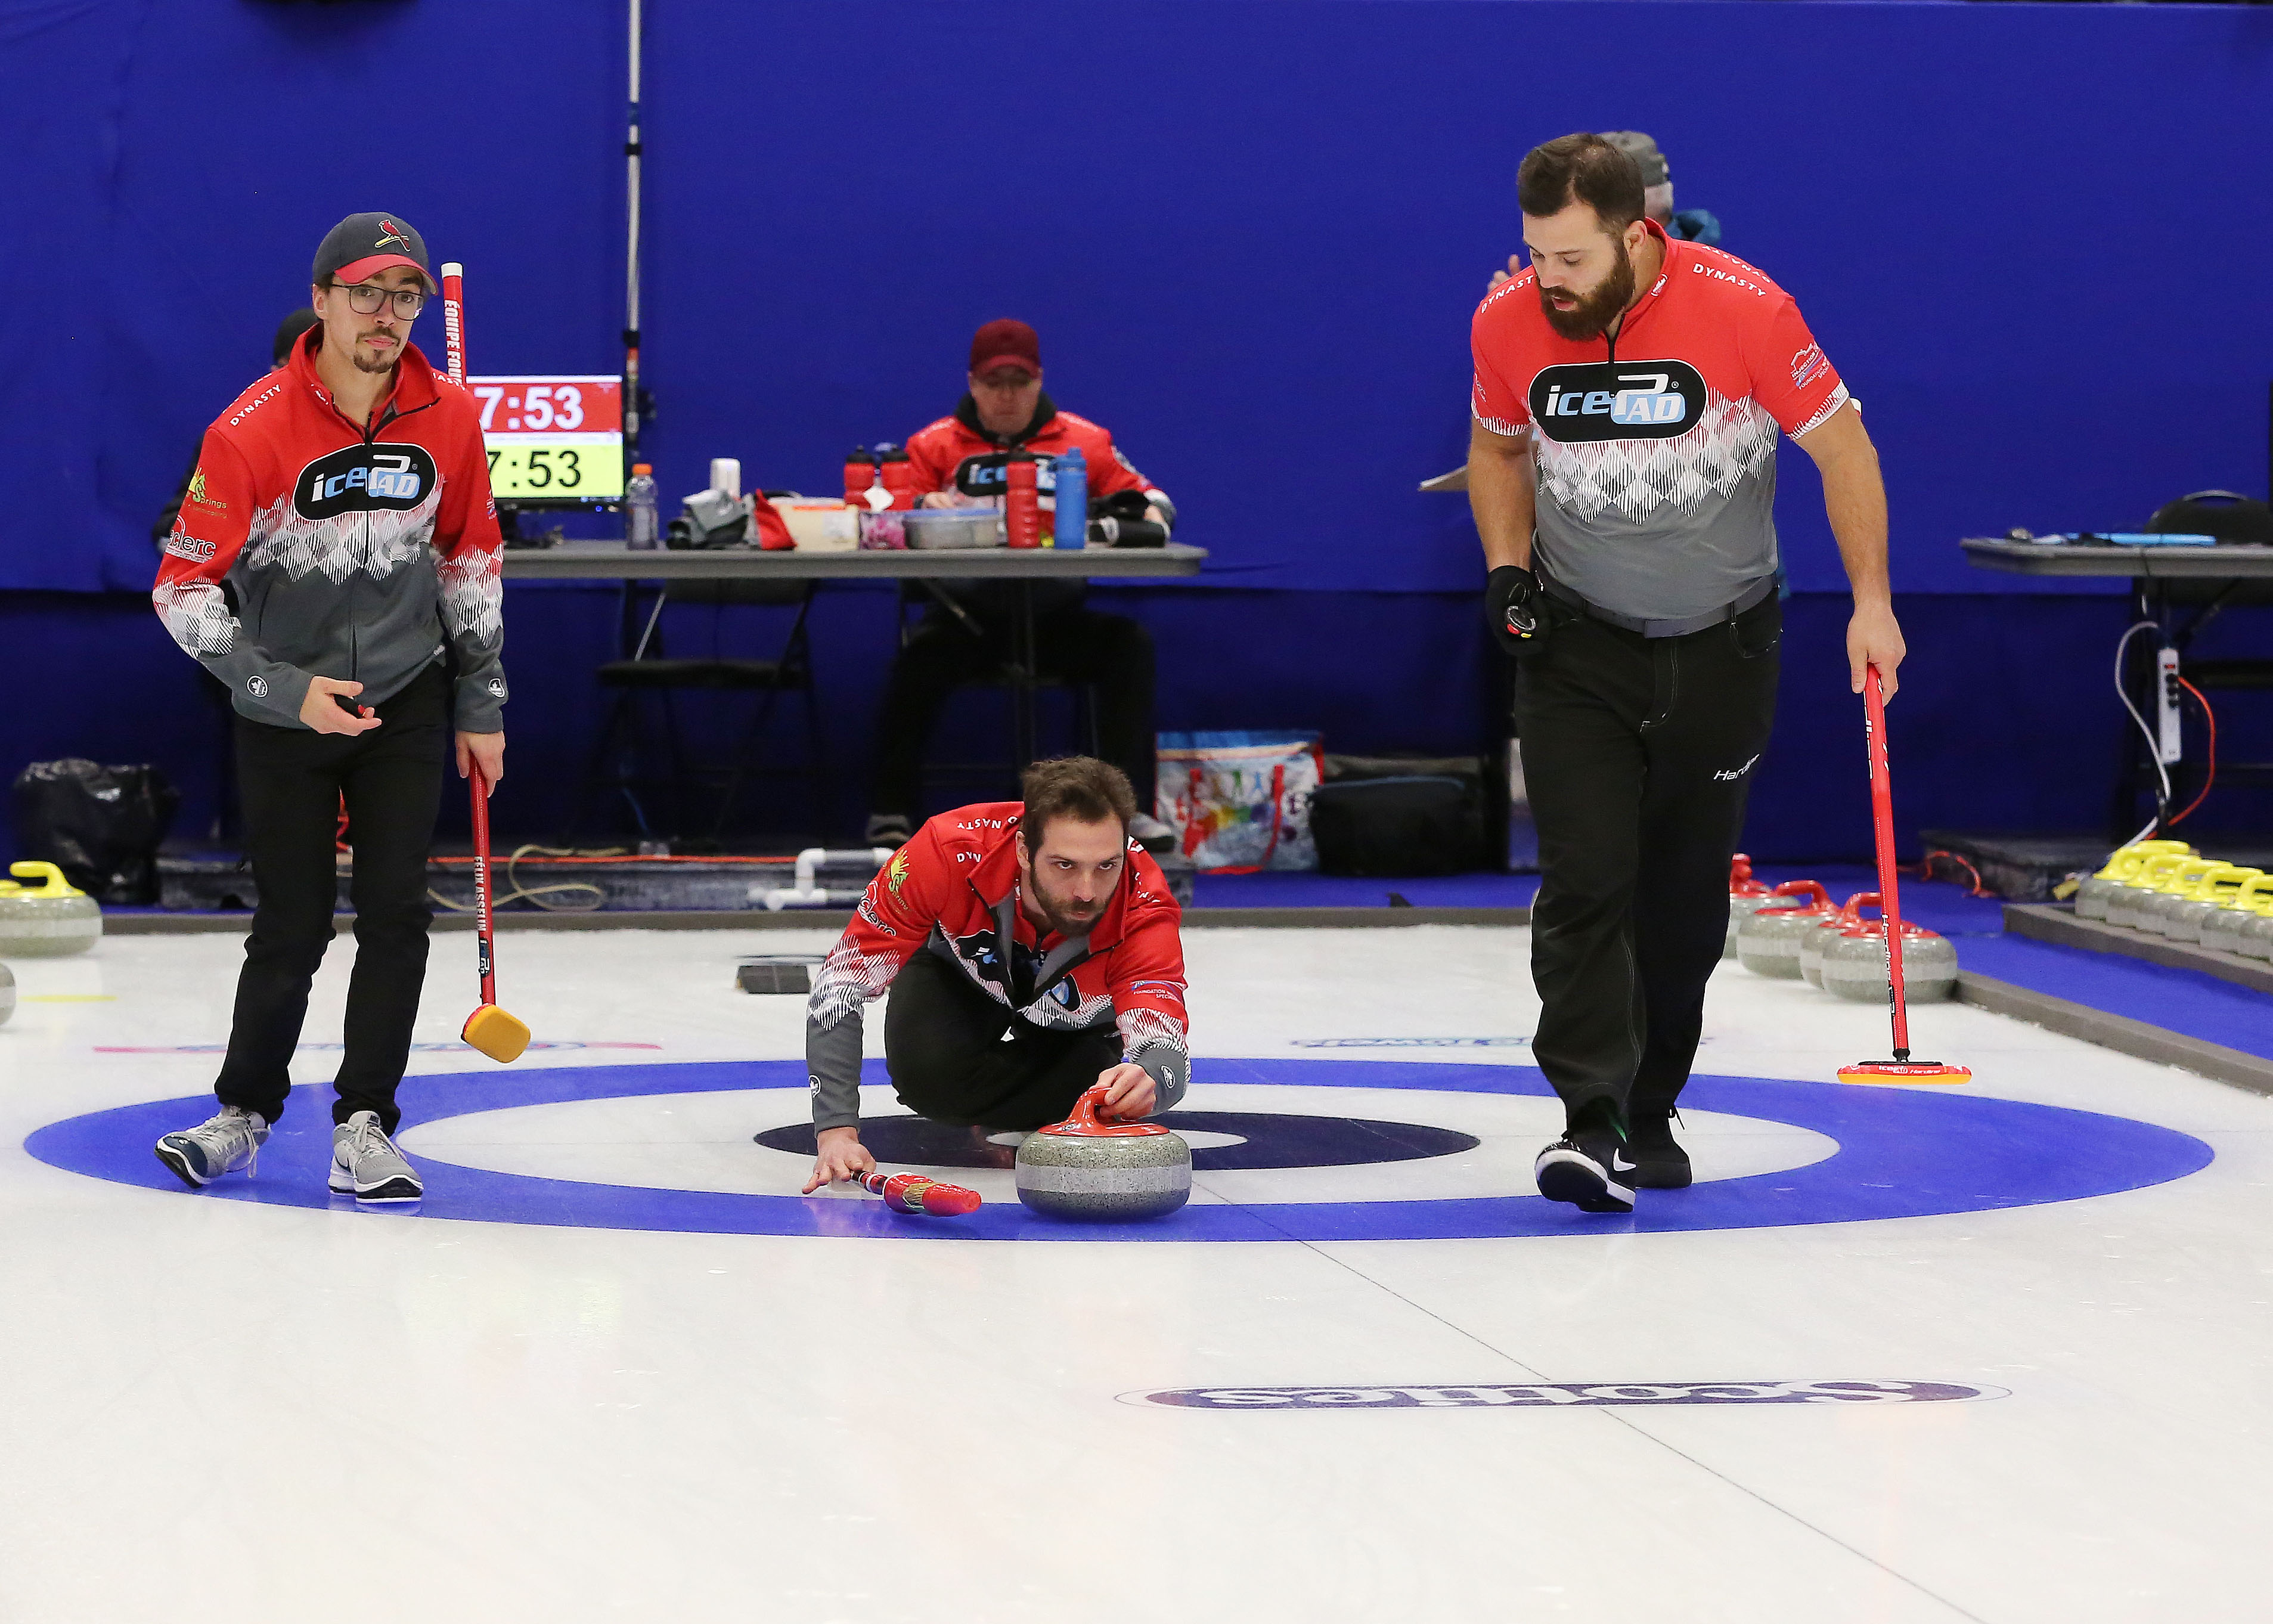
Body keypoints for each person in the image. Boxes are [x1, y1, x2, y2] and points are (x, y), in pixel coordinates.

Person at [1468, 134, 1903, 1213]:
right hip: (1576, 646)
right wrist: (1505, 569)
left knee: (1678, 894)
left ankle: (1651, 1103)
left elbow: (1843, 446)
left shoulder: (1747, 308)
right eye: (1531, 255)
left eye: (1568, 258)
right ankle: (1586, 1116)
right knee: (1583, 880)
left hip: (1722, 643)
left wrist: (1871, 601)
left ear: (1632, 234)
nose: (1545, 280)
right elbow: (1495, 447)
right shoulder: (1506, 320)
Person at [148, 212, 507, 1204]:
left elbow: (471, 555)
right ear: (322, 300)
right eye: (365, 293)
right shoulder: (249, 428)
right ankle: (243, 1113)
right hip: (285, 710)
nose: (384, 316)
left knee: (397, 913)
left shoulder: (451, 416)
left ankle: (365, 1123)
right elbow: (181, 589)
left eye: (404, 297)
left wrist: (483, 698)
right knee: (293, 920)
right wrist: (276, 685)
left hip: (409, 693)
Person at [804, 756, 1190, 1194]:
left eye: (1107, 866)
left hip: (1078, 1019)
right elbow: (840, 985)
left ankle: (1076, 1072)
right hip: (962, 969)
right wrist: (835, 1131)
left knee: (1107, 1091)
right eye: (1064, 865)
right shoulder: (941, 851)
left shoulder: (1146, 905)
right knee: (929, 1084)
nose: (1086, 891)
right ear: (1024, 850)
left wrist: (1150, 1081)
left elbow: (1164, 1044)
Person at [866, 318, 1178, 852]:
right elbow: (877, 520)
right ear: (971, 384)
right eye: (993, 384)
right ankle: (890, 811)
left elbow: (1157, 505)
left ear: (1039, 381)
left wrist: (1118, 518)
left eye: (1019, 382)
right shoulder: (931, 446)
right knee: (915, 661)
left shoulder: (1085, 440)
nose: (1007, 396)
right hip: (964, 620)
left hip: (1055, 619)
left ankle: (1126, 814)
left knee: (1129, 647)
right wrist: (919, 506)